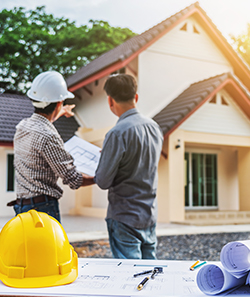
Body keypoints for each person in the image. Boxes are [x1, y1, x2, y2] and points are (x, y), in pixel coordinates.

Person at [9, 71, 95, 222]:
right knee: (48, 247)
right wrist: (101, 177)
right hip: (43, 210)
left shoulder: (22, 126)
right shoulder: (49, 137)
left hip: (22, 209)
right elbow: (73, 180)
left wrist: (62, 111)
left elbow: (42, 124)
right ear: (59, 102)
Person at [94, 74, 163, 259]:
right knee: (150, 273)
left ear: (110, 100)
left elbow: (102, 181)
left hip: (124, 217)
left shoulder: (116, 133)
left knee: (129, 277)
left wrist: (106, 160)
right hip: (149, 214)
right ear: (136, 97)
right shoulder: (155, 128)